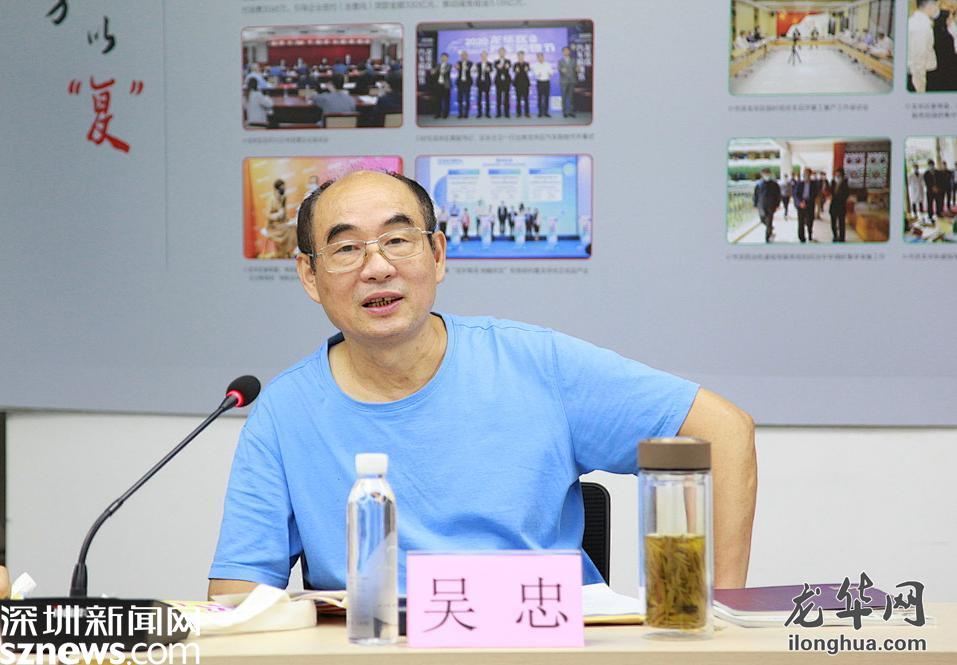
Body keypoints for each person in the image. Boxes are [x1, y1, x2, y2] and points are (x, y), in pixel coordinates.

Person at [207, 170, 757, 598]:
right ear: (310, 276)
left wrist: (719, 619)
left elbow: (724, 431)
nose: (377, 267)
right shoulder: (285, 411)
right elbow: (237, 595)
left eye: (398, 240)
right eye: (347, 248)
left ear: (437, 255)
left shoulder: (536, 363)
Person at [909, 0, 940, 93]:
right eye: (937, 5)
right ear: (930, 5)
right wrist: (921, 89)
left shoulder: (917, 21)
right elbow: (918, 61)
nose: (937, 9)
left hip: (919, 74)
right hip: (921, 76)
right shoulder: (921, 26)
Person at [261, 179, 296, 259]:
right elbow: (268, 215)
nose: (283, 189)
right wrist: (277, 215)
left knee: (293, 227)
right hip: (272, 226)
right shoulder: (271, 199)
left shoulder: (283, 198)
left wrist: (289, 220)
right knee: (288, 230)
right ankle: (283, 253)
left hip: (282, 223)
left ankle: (288, 252)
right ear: (276, 189)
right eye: (281, 188)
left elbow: (284, 212)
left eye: (284, 187)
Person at [753, 168, 781, 243]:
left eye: (767, 173)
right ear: (762, 175)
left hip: (771, 206)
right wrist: (755, 204)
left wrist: (777, 204)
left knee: (769, 221)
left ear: (770, 174)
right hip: (761, 206)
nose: (766, 175)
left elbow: (778, 195)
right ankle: (770, 228)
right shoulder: (759, 184)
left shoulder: (774, 184)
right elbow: (756, 195)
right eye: (765, 174)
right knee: (762, 220)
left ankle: (767, 238)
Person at [794, 168, 818, 243]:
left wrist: (808, 202)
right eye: (805, 174)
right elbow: (795, 194)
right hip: (801, 205)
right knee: (801, 222)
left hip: (810, 204)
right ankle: (802, 238)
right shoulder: (799, 183)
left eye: (808, 174)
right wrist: (800, 202)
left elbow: (815, 194)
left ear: (810, 175)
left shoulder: (814, 184)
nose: (806, 176)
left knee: (810, 221)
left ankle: (810, 235)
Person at [829, 168, 850, 243]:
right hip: (833, 206)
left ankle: (841, 238)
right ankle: (835, 236)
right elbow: (830, 192)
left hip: (841, 206)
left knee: (841, 223)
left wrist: (839, 197)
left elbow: (846, 194)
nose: (837, 175)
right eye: (836, 174)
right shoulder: (833, 182)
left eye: (839, 174)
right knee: (833, 223)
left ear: (842, 175)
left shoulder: (845, 183)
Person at [531, 52, 553, 118]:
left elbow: (551, 73)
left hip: (546, 82)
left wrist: (549, 73)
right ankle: (540, 112)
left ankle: (546, 112)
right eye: (539, 57)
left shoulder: (548, 64)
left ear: (543, 57)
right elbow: (536, 74)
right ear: (537, 58)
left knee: (546, 98)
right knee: (540, 97)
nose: (540, 58)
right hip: (540, 82)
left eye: (541, 57)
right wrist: (541, 73)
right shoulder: (535, 65)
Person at [431, 52, 452, 119]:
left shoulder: (449, 65)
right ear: (440, 58)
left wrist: (437, 70)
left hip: (446, 85)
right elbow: (433, 73)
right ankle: (438, 114)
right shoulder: (438, 65)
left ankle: (445, 114)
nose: (443, 58)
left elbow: (445, 71)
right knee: (438, 100)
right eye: (442, 57)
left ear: (447, 58)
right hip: (438, 85)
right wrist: (433, 72)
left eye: (445, 57)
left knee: (446, 101)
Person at [558, 46, 576, 118]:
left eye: (567, 51)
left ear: (569, 52)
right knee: (564, 97)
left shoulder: (573, 60)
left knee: (571, 97)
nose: (566, 52)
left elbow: (576, 69)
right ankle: (564, 112)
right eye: (564, 51)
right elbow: (559, 69)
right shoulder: (560, 61)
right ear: (563, 52)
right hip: (563, 81)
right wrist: (562, 70)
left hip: (572, 81)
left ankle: (571, 111)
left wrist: (578, 69)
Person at [494, 47, 512, 118]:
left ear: (505, 53)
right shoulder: (496, 61)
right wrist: (500, 66)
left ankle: (506, 113)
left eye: (503, 52)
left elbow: (509, 67)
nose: (502, 53)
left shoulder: (508, 61)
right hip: (498, 81)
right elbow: (496, 68)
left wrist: (506, 66)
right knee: (498, 97)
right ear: (498, 53)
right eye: (500, 52)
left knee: (506, 97)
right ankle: (498, 113)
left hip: (506, 81)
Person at [512, 51, 531, 118]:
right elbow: (515, 71)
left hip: (525, 84)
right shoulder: (515, 64)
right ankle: (518, 113)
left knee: (526, 99)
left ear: (523, 56)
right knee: (518, 99)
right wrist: (517, 70)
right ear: (517, 56)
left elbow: (527, 70)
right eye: (519, 56)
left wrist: (525, 69)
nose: (521, 57)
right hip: (518, 84)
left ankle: (527, 113)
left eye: (522, 55)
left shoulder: (527, 64)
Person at [455, 50, 473, 119]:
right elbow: (457, 68)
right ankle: (460, 113)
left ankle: (466, 113)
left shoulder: (470, 63)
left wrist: (462, 66)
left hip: (467, 83)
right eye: (462, 55)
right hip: (460, 83)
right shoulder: (458, 63)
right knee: (460, 99)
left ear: (467, 56)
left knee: (467, 99)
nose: (463, 56)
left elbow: (468, 69)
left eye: (465, 55)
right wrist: (457, 67)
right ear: (460, 56)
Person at [475, 51, 493, 118]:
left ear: (487, 56)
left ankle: (487, 113)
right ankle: (479, 113)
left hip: (487, 83)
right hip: (479, 82)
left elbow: (491, 70)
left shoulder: (490, 64)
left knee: (487, 98)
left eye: (485, 55)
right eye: (482, 55)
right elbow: (474, 71)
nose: (484, 57)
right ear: (481, 56)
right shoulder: (478, 64)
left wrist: (489, 70)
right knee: (479, 99)